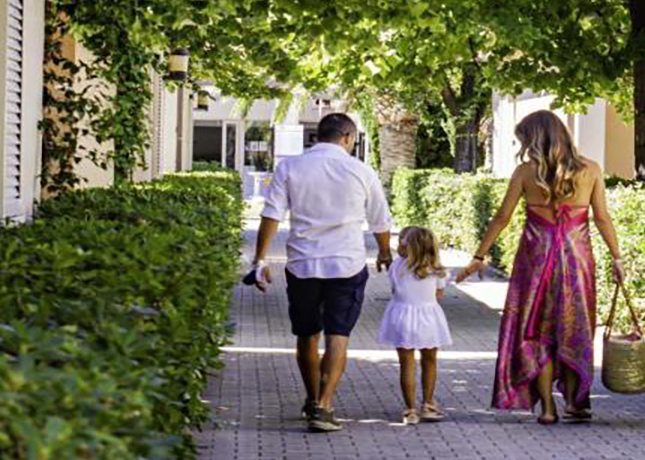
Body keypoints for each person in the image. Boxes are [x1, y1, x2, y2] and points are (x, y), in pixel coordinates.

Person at [455, 111, 623, 424]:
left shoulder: (524, 173)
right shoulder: (590, 169)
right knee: (575, 329)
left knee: (537, 332)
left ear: (534, 138)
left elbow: (501, 218)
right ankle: (577, 402)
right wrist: (617, 258)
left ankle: (547, 408)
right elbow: (601, 218)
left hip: (534, 261)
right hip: (577, 261)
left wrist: (479, 256)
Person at [248, 113, 392, 433]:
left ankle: (312, 399)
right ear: (347, 137)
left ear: (318, 137)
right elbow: (380, 220)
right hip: (347, 264)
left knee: (306, 334)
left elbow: (271, 215)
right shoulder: (361, 170)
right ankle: (325, 405)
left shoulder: (290, 167)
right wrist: (384, 252)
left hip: (303, 265)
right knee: (338, 335)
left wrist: (259, 260)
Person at [376, 226, 452, 425]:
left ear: (409, 247)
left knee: (406, 364)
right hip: (429, 318)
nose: (398, 245)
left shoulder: (397, 267)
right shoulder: (437, 270)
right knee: (430, 361)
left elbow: (395, 290)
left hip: (401, 317)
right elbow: (439, 295)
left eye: (402, 241)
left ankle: (410, 410)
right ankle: (428, 404)